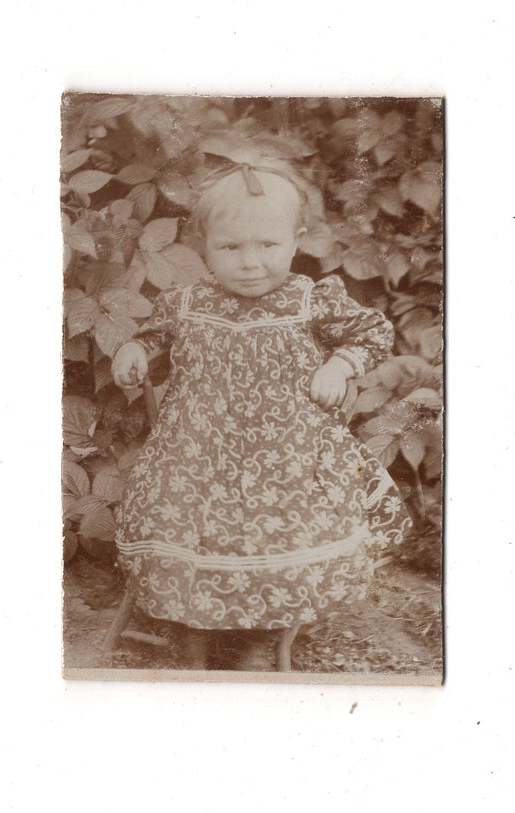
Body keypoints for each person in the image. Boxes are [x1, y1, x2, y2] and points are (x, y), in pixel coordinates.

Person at [112, 148, 411, 671]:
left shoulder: (309, 299)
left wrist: (339, 365)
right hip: (196, 455)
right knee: (179, 518)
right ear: (202, 246)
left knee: (283, 526)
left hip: (287, 461)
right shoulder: (186, 302)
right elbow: (151, 336)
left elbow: (371, 332)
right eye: (230, 247)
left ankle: (260, 630)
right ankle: (195, 628)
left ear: (296, 243)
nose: (250, 262)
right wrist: (135, 350)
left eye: (268, 245)